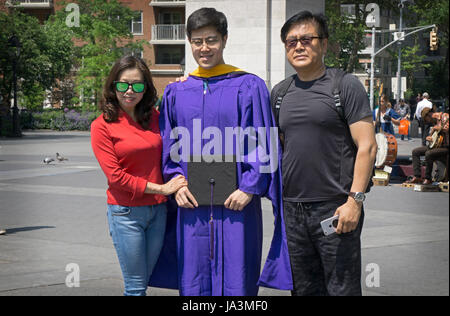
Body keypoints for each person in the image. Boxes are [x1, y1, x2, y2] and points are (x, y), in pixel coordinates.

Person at [150, 7, 292, 296]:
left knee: (237, 277)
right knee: (193, 277)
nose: (205, 48)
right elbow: (169, 144)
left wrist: (250, 187)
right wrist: (176, 183)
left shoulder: (249, 86)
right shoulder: (177, 93)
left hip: (237, 203)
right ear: (189, 42)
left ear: (224, 40)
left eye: (211, 40)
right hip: (191, 203)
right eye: (198, 41)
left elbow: (262, 141)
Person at [272, 11, 377, 296]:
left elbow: (368, 146)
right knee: (303, 290)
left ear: (324, 43)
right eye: (291, 41)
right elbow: (278, 147)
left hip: (334, 210)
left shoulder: (344, 85)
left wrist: (354, 201)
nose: (298, 46)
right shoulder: (280, 93)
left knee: (341, 289)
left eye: (307, 39)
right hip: (292, 211)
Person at [90, 55, 188, 296]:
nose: (130, 91)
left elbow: (178, 120)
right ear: (113, 86)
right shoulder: (102, 126)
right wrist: (163, 189)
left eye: (138, 84)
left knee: (145, 279)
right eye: (123, 84)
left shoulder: (154, 117)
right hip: (126, 214)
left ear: (146, 87)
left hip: (158, 212)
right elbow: (116, 177)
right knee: (135, 286)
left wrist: (185, 86)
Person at [405, 107, 449, 185]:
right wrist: (430, 137)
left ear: (429, 115)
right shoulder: (435, 122)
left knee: (429, 153)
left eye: (426, 120)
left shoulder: (445, 116)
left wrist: (435, 128)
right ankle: (417, 176)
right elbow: (436, 137)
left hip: (445, 147)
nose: (427, 122)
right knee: (416, 151)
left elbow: (446, 129)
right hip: (436, 146)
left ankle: (428, 178)